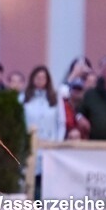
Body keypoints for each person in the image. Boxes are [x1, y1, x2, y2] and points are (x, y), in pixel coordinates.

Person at [23, 66, 65, 200]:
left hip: (49, 146)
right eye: (38, 77)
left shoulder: (55, 98)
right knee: (30, 180)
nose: (41, 80)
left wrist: (57, 143)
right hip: (30, 146)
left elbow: (61, 122)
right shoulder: (24, 98)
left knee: (47, 181)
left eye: (43, 78)